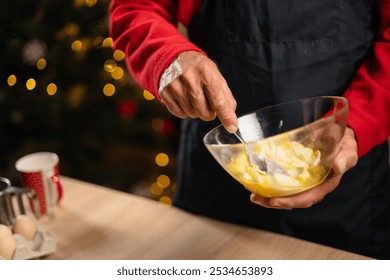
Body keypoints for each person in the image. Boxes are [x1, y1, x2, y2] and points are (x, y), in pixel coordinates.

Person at [110, 0, 390, 259]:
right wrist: (168, 58)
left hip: (349, 186)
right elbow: (136, 7)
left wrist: (358, 123)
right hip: (217, 183)